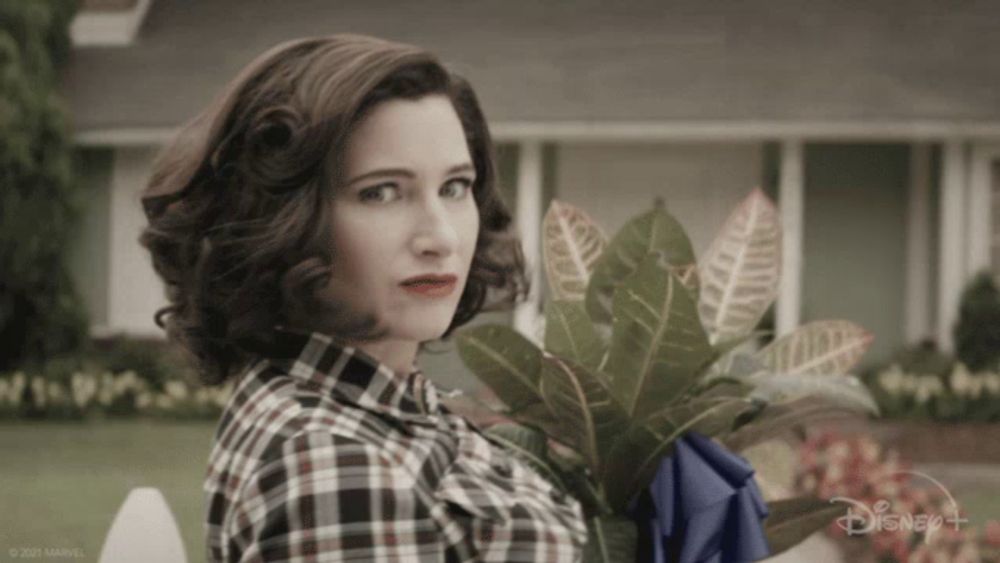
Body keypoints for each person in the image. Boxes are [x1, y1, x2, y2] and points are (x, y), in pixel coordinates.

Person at [139, 34, 588, 562]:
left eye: (455, 187)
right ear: (285, 220)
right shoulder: (333, 469)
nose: (441, 237)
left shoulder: (371, 404)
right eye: (381, 192)